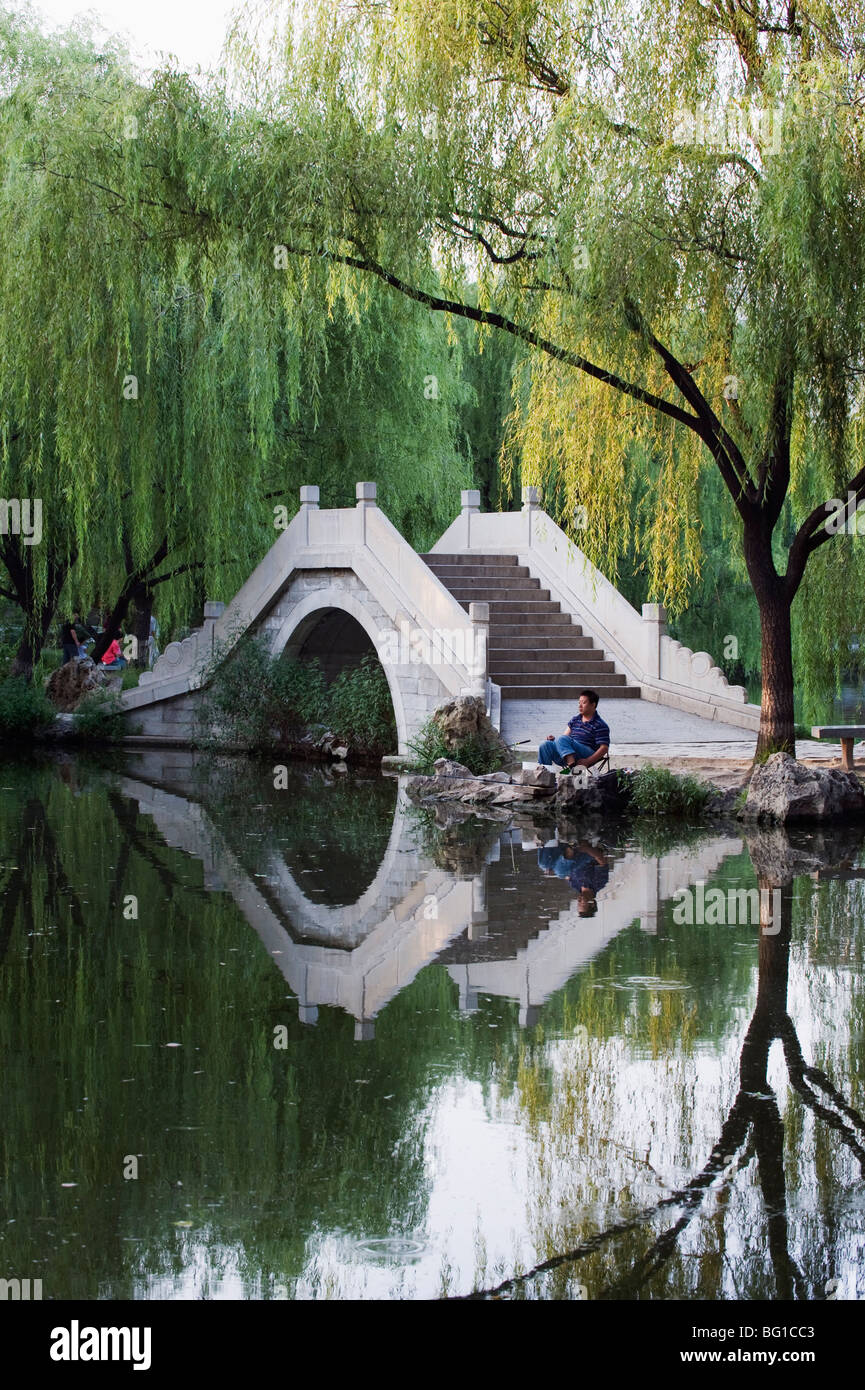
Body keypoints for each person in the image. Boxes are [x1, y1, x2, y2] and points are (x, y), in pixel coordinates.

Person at [537, 688, 610, 774]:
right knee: (545, 745)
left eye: (584, 703)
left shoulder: (600, 724)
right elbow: (564, 738)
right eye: (579, 703)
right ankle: (544, 776)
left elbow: (604, 748)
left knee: (562, 739)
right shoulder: (575, 720)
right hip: (569, 752)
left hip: (586, 754)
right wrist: (554, 741)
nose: (580, 706)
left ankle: (572, 768)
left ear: (593, 705)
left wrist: (588, 761)